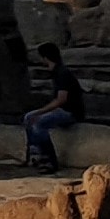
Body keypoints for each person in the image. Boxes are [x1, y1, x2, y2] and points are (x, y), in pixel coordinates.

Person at [24, 40, 85, 172]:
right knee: (28, 117)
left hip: (70, 112)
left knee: (38, 123)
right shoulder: (57, 72)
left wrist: (40, 112)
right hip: (62, 109)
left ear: (45, 57)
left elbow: (61, 100)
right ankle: (35, 153)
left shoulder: (62, 73)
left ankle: (49, 160)